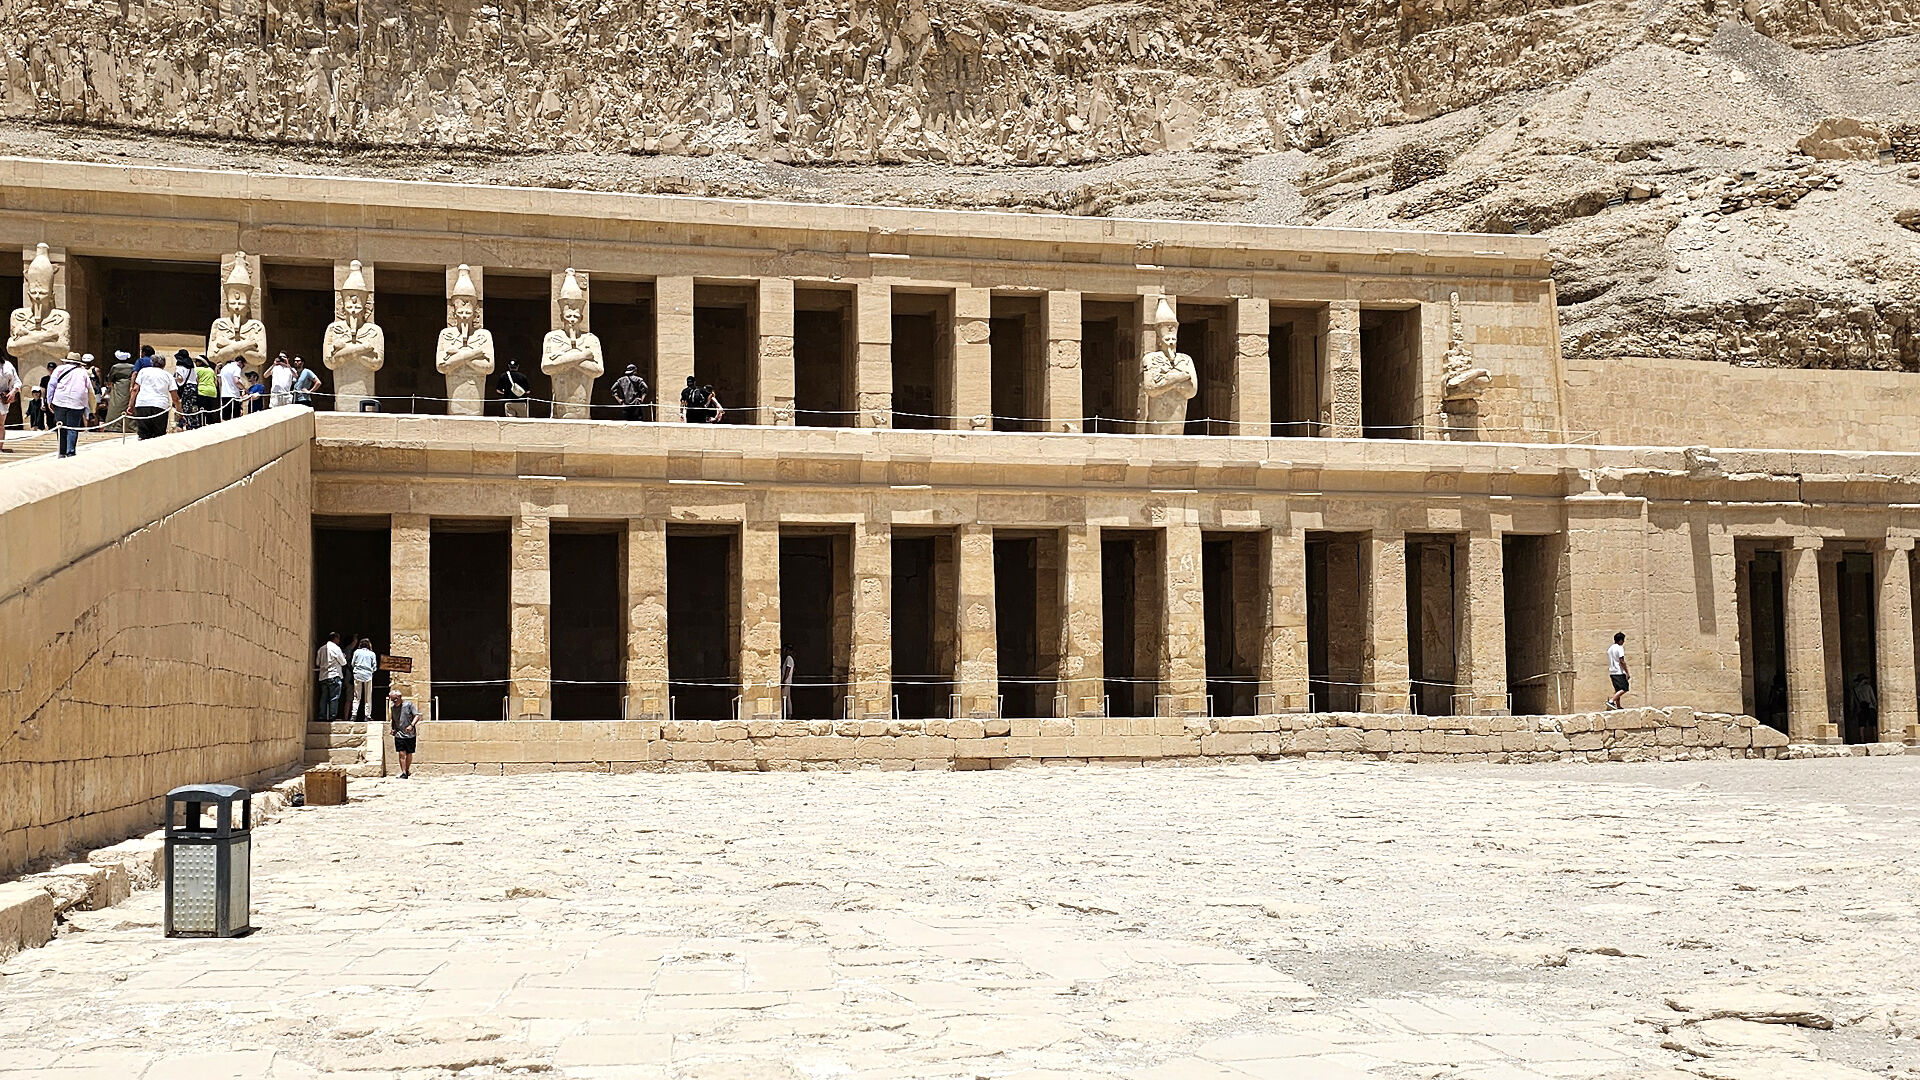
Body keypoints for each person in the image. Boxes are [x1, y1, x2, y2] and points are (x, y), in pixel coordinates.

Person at [47, 351, 95, 457]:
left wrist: (49, 400)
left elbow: (51, 385)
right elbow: (90, 390)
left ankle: (62, 451)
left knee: (61, 426)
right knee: (73, 428)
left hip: (60, 400)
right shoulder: (83, 372)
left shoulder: (59, 369)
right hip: (77, 402)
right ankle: (70, 451)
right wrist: (92, 408)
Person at [129, 354, 178, 440]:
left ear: (151, 363)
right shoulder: (168, 375)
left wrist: (130, 405)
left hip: (142, 404)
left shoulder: (143, 371)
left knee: (143, 434)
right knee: (159, 435)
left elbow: (135, 389)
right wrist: (179, 410)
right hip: (160, 405)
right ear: (164, 364)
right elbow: (175, 397)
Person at [315, 632, 347, 722]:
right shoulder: (336, 648)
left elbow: (317, 663)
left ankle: (322, 716)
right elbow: (343, 662)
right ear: (335, 638)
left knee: (324, 697)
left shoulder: (321, 649)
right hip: (334, 675)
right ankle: (332, 716)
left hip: (323, 676)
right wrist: (343, 656)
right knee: (334, 698)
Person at [388, 691, 420, 779]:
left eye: (394, 700)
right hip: (399, 734)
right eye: (392, 700)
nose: (393, 702)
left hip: (410, 734)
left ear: (399, 697)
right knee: (401, 753)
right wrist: (393, 729)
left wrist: (411, 725)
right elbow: (393, 719)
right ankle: (403, 772)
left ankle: (407, 769)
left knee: (409, 753)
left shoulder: (409, 705)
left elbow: (417, 716)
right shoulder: (393, 708)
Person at [349, 637, 379, 722]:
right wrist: (371, 671)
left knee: (356, 696)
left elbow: (352, 663)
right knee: (368, 697)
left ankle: (354, 715)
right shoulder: (372, 654)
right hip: (368, 675)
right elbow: (374, 666)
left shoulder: (356, 652)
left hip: (358, 675)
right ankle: (367, 715)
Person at [105, 350, 135, 432]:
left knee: (116, 406)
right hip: (128, 386)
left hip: (118, 387)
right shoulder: (132, 367)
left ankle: (113, 426)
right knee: (127, 404)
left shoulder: (115, 367)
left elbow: (110, 377)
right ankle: (129, 426)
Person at [172, 351, 198, 431]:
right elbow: (196, 379)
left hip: (186, 388)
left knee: (185, 408)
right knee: (193, 407)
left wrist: (174, 379)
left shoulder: (180, 367)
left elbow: (180, 379)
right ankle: (193, 424)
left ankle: (185, 424)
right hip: (194, 388)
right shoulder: (192, 368)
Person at [217, 353, 245, 422]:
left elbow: (220, 382)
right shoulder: (237, 368)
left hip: (224, 395)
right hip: (234, 395)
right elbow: (236, 381)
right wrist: (244, 388)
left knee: (226, 418)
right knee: (236, 419)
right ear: (240, 362)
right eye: (243, 365)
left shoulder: (224, 368)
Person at [0, 352, 18, 453]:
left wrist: (13, 392)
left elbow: (17, 381)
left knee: (0, 424)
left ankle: (0, 447)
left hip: (3, 397)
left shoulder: (7, 365)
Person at [1606, 631, 1629, 710]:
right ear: (1620, 640)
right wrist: (1627, 672)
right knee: (1625, 688)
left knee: (1617, 689)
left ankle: (1618, 705)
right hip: (1619, 671)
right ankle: (1611, 701)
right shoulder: (1619, 648)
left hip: (1612, 672)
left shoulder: (1610, 648)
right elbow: (1621, 660)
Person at [194, 354, 219, 424]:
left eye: (196, 361)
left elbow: (195, 380)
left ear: (200, 362)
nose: (195, 363)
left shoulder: (196, 370)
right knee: (210, 413)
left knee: (201, 413)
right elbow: (215, 382)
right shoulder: (211, 370)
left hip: (202, 391)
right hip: (212, 392)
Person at [781, 645, 796, 720]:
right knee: (787, 698)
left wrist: (784, 680)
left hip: (786, 681)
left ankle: (783, 713)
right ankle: (789, 713)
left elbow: (788, 669)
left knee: (783, 698)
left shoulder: (789, 658)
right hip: (788, 681)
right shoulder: (790, 659)